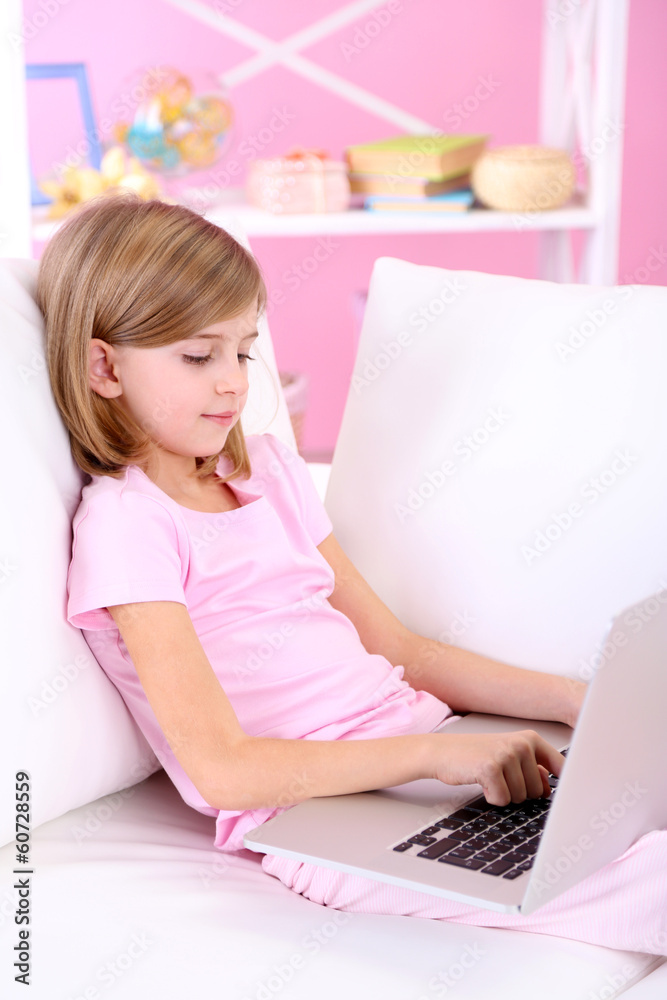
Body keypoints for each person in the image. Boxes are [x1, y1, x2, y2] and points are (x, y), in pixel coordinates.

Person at [38, 194, 665, 957]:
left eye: (242, 350)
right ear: (103, 366)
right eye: (198, 357)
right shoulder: (130, 527)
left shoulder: (267, 472)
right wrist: (436, 756)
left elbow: (406, 652)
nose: (234, 384)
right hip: (318, 817)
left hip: (427, 757)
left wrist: (588, 703)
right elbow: (223, 771)